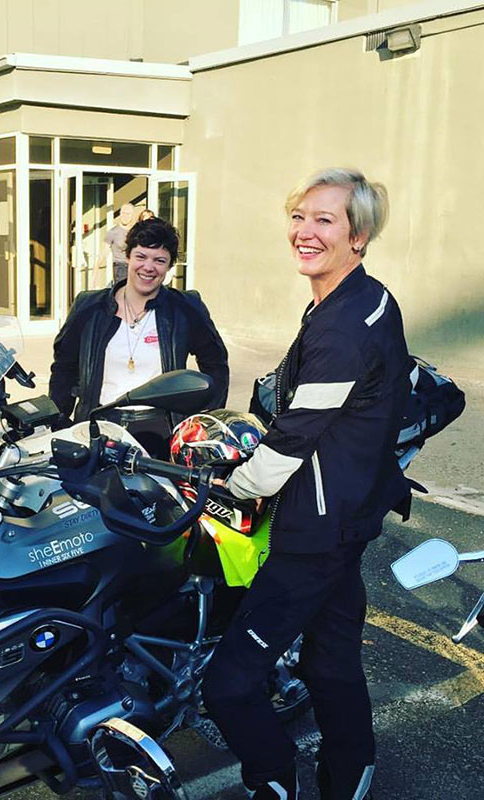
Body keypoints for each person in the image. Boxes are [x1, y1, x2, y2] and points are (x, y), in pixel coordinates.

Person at [202, 169, 413, 800]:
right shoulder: (355, 299)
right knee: (331, 659)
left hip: (315, 530)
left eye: (325, 220)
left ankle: (272, 781)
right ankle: (352, 773)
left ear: (359, 235)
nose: (305, 231)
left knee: (230, 684)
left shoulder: (344, 327)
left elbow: (292, 440)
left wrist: (228, 487)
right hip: (348, 516)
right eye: (299, 216)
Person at [50, 216, 229, 457]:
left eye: (159, 260)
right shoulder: (89, 307)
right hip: (99, 424)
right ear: (128, 257)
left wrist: (204, 426)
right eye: (141, 256)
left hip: (161, 430)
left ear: (169, 266)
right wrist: (59, 423)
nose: (148, 267)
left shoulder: (186, 308)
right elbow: (64, 367)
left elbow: (215, 364)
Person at [103, 202, 135, 283]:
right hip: (121, 266)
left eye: (128, 214)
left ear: (132, 215)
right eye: (123, 213)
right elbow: (104, 251)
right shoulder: (113, 232)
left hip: (135, 265)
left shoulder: (136, 231)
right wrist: (95, 271)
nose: (125, 216)